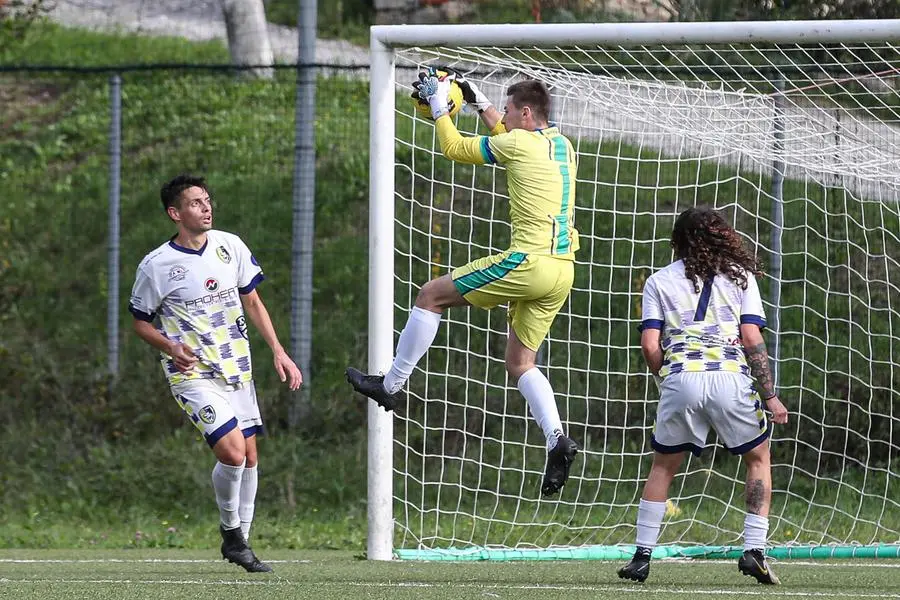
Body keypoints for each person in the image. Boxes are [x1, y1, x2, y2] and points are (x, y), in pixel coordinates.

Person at [346, 68, 579, 497]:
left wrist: (439, 103)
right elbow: (507, 135)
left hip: (527, 262)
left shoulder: (517, 142)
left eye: (509, 111)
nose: (504, 117)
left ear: (526, 113)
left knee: (431, 296)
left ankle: (390, 386)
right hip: (562, 269)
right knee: (521, 364)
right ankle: (556, 439)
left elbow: (453, 147)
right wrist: (476, 100)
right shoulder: (561, 145)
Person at [129, 174, 302, 573]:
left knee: (251, 457)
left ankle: (242, 540)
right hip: (191, 374)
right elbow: (140, 322)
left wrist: (279, 351)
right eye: (195, 203)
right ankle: (231, 535)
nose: (206, 207)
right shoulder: (157, 266)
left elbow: (253, 301)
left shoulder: (230, 246)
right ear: (176, 213)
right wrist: (170, 346)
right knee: (233, 452)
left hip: (237, 367)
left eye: (207, 200)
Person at [617, 207, 789, 585]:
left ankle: (642, 557)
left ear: (677, 240)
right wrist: (771, 395)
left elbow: (649, 346)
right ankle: (754, 551)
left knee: (663, 466)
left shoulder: (659, 281)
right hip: (730, 377)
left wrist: (672, 376)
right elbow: (752, 339)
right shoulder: (741, 278)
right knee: (758, 459)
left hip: (682, 378)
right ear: (723, 238)